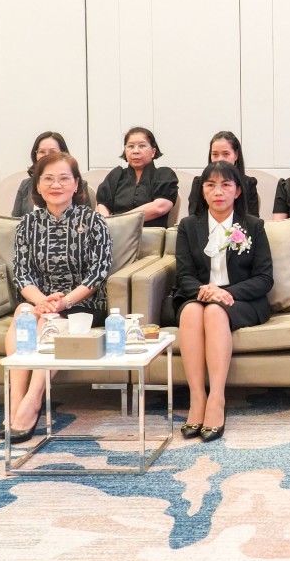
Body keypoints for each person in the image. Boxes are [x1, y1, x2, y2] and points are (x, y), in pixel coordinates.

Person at [3, 152, 113, 444]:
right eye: (48, 179)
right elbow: (22, 274)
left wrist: (64, 302)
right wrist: (42, 301)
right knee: (24, 314)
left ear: (76, 184)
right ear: (38, 186)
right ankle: (15, 400)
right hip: (41, 303)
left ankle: (33, 401)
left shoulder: (93, 220)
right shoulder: (27, 224)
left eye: (64, 178)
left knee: (48, 321)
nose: (56, 185)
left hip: (83, 305)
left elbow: (99, 272)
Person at [174, 161, 273, 443]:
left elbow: (264, 278)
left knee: (215, 312)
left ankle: (217, 399)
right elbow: (184, 275)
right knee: (191, 312)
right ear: (202, 191)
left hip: (241, 300)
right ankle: (197, 399)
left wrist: (225, 293)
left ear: (237, 191)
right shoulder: (189, 226)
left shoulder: (253, 226)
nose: (218, 191)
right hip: (200, 296)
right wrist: (207, 291)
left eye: (226, 185)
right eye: (211, 185)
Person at [96, 126, 178, 228]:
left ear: (153, 152)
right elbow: (102, 205)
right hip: (116, 232)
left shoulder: (164, 174)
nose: (135, 151)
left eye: (142, 146)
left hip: (150, 233)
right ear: (125, 151)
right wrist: (107, 226)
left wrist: (118, 221)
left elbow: (160, 207)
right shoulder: (116, 175)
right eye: (130, 146)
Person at [11, 131, 93, 217]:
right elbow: (15, 220)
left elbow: (86, 218)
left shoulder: (78, 184)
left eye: (52, 152)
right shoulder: (26, 185)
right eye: (42, 152)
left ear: (63, 154)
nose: (46, 156)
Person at [187, 131, 260, 217]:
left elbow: (252, 220)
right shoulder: (199, 182)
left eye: (226, 154)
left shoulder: (248, 183)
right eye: (215, 154)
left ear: (236, 155)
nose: (220, 159)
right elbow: (194, 217)